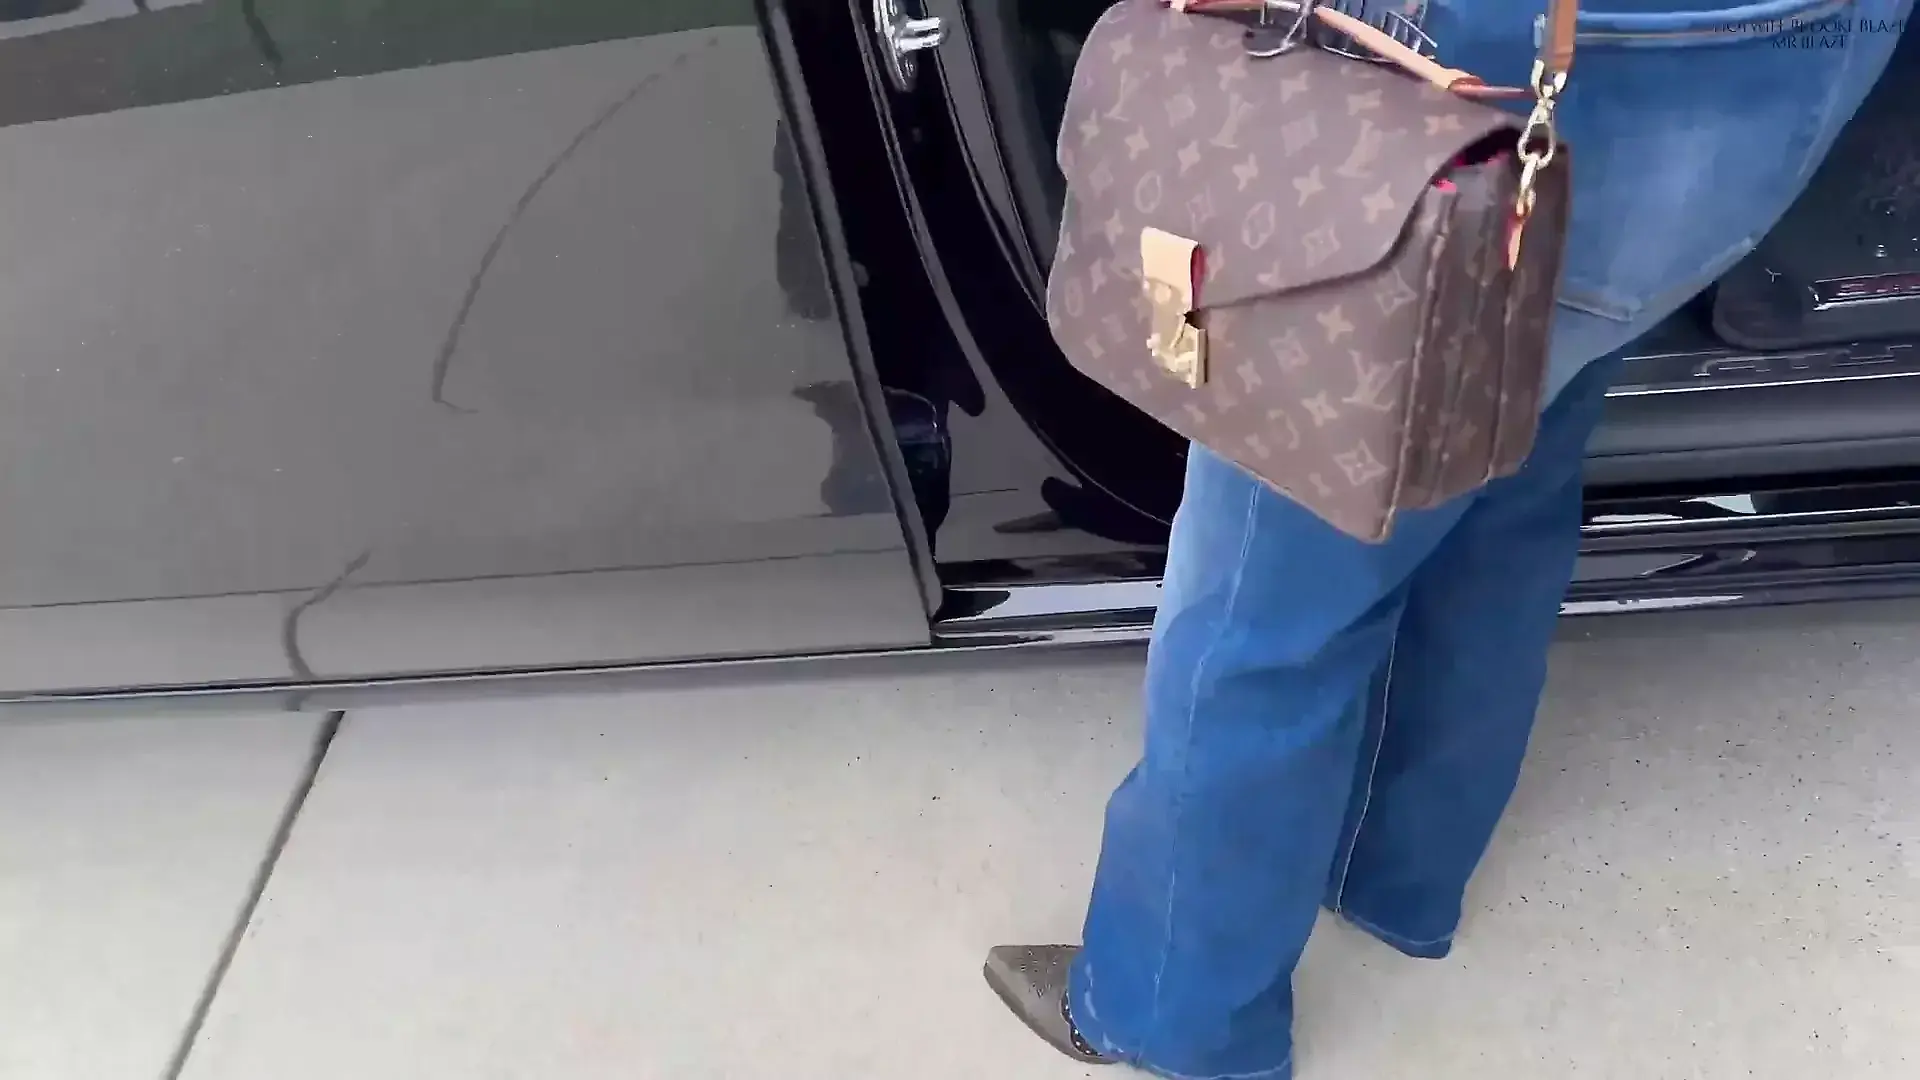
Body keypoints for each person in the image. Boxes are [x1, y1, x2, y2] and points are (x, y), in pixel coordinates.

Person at [983, 3, 1913, 1078]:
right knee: (1506, 465)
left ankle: (1171, 1014)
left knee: (1262, 611)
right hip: (1771, 71)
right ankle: (1394, 875)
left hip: (1509, 63)